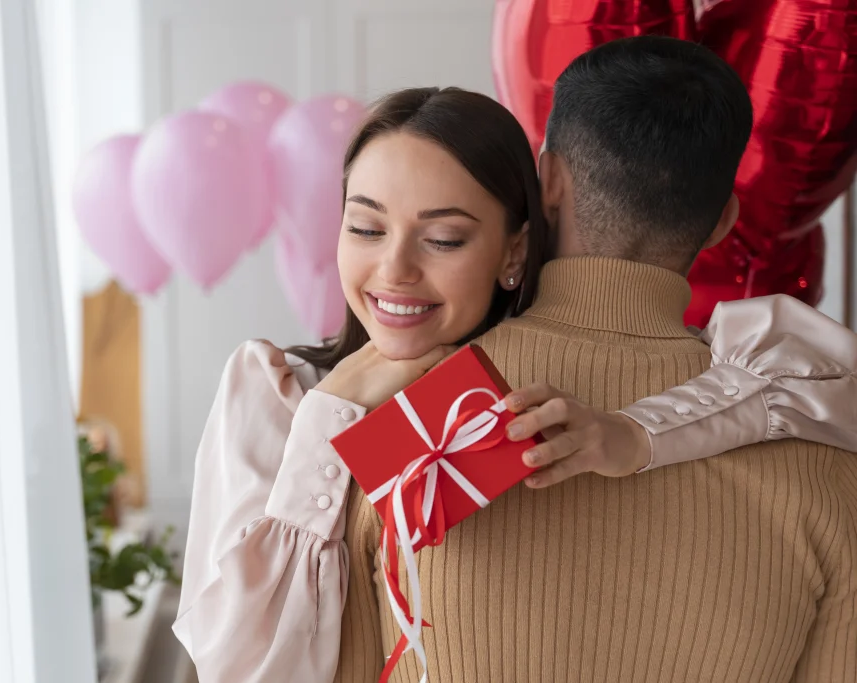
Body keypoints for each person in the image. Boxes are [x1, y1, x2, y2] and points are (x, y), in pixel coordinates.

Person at [174, 64, 857, 683]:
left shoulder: (402, 431)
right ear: (723, 222)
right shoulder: (819, 444)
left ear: (546, 184)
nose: (395, 269)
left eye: (443, 238)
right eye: (365, 226)